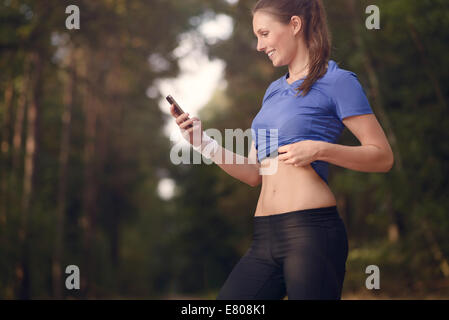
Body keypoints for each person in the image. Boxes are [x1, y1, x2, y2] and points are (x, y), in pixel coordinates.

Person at [170, 0, 394, 300]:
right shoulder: (273, 92)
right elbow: (254, 174)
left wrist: (320, 150)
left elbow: (381, 156)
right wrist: (202, 142)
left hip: (311, 233)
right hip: (264, 236)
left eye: (264, 33)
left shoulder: (337, 81)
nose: (260, 45)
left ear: (295, 25)